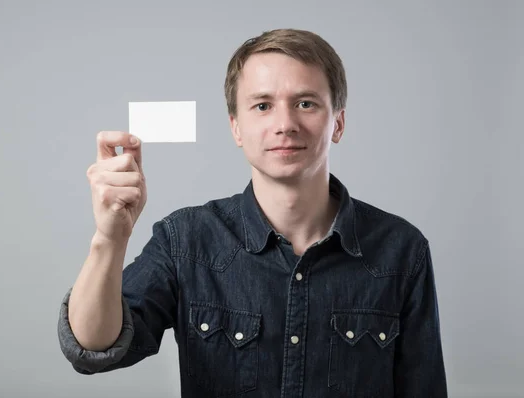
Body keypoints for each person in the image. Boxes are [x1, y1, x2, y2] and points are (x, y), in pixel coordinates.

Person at [57, 28, 448, 397]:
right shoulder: (186, 240)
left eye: (306, 103)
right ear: (236, 128)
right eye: (262, 105)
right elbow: (95, 347)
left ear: (338, 123)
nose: (285, 124)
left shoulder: (402, 249)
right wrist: (110, 239)